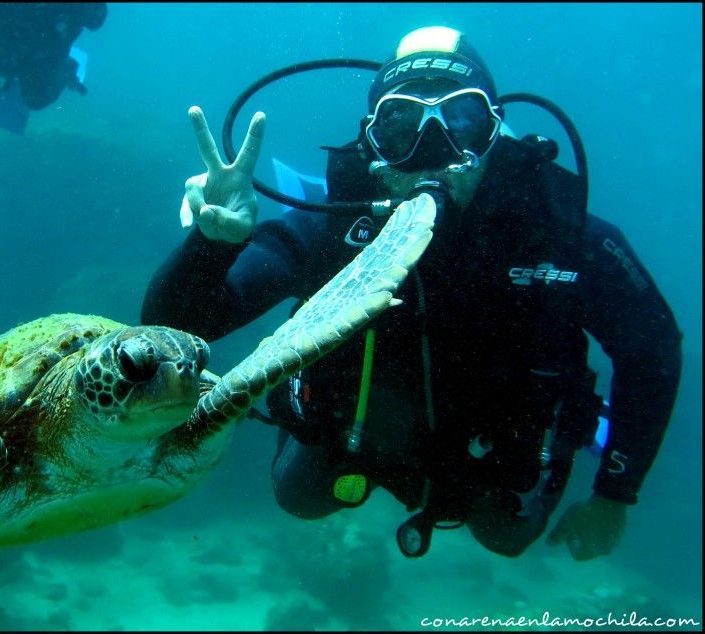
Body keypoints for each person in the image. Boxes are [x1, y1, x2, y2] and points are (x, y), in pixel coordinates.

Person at [141, 26, 683, 559]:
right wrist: (210, 246)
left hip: (491, 453)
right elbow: (174, 327)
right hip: (358, 440)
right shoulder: (333, 232)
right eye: (402, 124)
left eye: (460, 120)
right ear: (373, 142)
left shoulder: (562, 238)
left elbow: (653, 349)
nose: (432, 149)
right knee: (298, 498)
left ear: (494, 134)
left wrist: (615, 493)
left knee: (508, 536)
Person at [0, 3, 107, 134]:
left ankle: (67, 68)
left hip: (44, 40)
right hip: (0, 32)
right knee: (0, 85)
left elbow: (95, 19)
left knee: (35, 97)